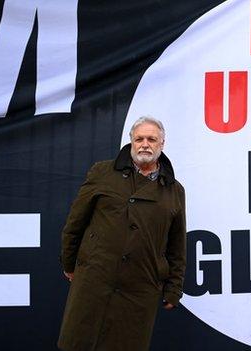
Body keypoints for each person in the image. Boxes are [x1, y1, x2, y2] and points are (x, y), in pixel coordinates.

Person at [57, 116, 186, 351]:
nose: (145, 144)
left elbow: (177, 245)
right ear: (131, 142)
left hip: (139, 289)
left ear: (162, 144)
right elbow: (75, 223)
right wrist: (70, 263)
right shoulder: (103, 173)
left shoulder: (174, 190)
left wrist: (174, 288)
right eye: (139, 139)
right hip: (94, 280)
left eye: (151, 139)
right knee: (79, 343)